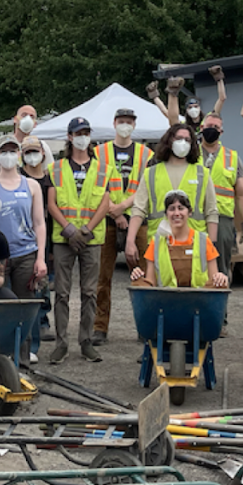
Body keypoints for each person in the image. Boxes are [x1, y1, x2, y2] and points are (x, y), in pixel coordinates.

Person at [0, 136, 46, 359]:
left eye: (13, 151)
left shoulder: (31, 186)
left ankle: (23, 358)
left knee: (25, 307)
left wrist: (41, 257)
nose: (8, 155)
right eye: (4, 151)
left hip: (26, 254)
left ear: (19, 154)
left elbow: (39, 223)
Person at [47, 118, 109, 364]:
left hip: (91, 238)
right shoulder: (56, 168)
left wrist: (86, 230)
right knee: (62, 293)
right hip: (64, 238)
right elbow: (51, 203)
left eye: (86, 133)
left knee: (89, 292)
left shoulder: (103, 169)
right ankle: (61, 344)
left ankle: (86, 342)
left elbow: (105, 203)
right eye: (78, 133)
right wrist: (69, 229)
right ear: (70, 137)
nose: (83, 137)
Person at [93, 108, 152, 345]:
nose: (125, 125)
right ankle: (99, 327)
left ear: (134, 125)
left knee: (143, 276)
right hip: (106, 220)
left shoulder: (146, 153)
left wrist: (124, 208)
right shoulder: (99, 152)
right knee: (102, 278)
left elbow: (146, 186)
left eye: (129, 122)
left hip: (137, 219)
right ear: (114, 123)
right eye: (121, 121)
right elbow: (96, 186)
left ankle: (145, 327)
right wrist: (114, 212)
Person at [124, 124, 217, 273]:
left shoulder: (202, 174)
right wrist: (130, 241)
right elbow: (138, 209)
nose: (183, 143)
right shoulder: (151, 173)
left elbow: (211, 212)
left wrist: (211, 245)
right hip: (159, 243)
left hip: (194, 244)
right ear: (169, 141)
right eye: (179, 138)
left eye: (187, 140)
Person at [130, 190, 228, 289]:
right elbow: (150, 283)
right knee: (137, 284)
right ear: (166, 214)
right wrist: (138, 277)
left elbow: (213, 280)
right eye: (172, 209)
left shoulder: (203, 241)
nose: (176, 213)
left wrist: (220, 278)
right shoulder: (156, 243)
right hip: (165, 296)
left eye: (181, 208)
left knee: (221, 284)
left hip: (199, 296)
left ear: (189, 212)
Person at [198, 113, 243, 277]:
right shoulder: (190, 153)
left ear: (221, 132)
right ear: (201, 128)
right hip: (194, 216)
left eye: (216, 127)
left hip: (223, 218)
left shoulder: (232, 157)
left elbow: (242, 194)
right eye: (209, 126)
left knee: (220, 265)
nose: (212, 130)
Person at [21, 135, 57, 342]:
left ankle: (43, 321)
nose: (32, 156)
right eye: (28, 152)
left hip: (45, 236)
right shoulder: (19, 177)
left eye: (35, 151)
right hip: (22, 236)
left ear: (43, 153)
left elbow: (50, 211)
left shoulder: (49, 178)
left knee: (43, 281)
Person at [150, 66, 226, 130]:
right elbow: (168, 113)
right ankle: (173, 92)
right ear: (186, 110)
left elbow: (222, 98)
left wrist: (219, 78)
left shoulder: (208, 119)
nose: (193, 109)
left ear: (200, 108)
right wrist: (154, 96)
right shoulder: (184, 125)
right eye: (190, 107)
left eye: (196, 106)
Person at [0, 105, 53, 176]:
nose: (28, 119)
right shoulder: (0, 144)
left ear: (35, 124)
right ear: (15, 119)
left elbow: (49, 173)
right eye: (24, 115)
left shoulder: (42, 146)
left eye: (32, 117)